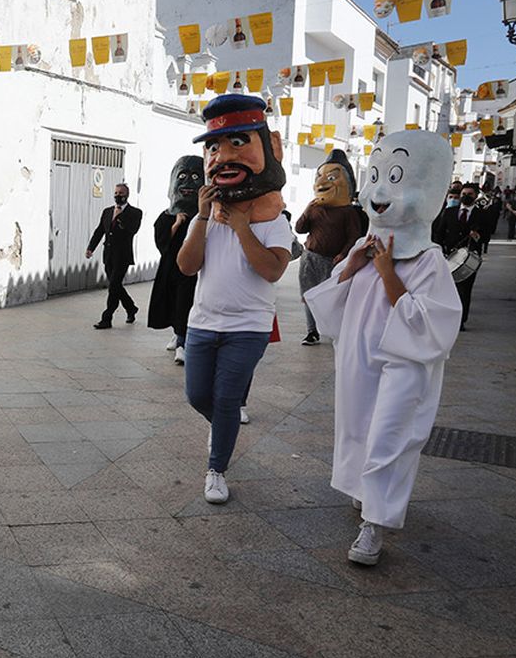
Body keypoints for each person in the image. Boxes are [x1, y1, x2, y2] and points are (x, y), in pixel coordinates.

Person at [304, 130, 462, 567]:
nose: (380, 191)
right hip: (361, 351)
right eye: (378, 175)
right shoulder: (364, 246)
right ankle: (364, 493)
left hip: (404, 360)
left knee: (390, 436)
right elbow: (336, 299)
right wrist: (353, 265)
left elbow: (431, 322)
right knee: (356, 426)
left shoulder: (429, 261)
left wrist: (389, 272)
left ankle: (375, 525)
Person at [177, 94, 294, 505]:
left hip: (248, 327)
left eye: (237, 143)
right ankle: (223, 425)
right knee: (197, 396)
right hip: (203, 322)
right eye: (213, 147)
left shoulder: (273, 221)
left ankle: (216, 469)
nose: (221, 156)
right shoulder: (203, 216)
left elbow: (273, 270)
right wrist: (203, 217)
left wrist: (243, 226)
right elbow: (187, 266)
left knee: (226, 398)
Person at [295, 150, 367, 346]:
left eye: (332, 176)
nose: (323, 181)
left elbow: (353, 236)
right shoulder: (315, 208)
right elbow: (300, 229)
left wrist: (343, 254)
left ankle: (334, 328)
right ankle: (312, 331)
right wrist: (307, 210)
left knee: (333, 297)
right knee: (308, 295)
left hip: (333, 260)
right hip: (310, 257)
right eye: (320, 176)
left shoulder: (348, 212)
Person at [148, 156, 203, 365]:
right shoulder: (166, 216)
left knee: (184, 304)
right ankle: (177, 334)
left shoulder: (203, 217)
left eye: (195, 178)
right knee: (171, 303)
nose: (188, 183)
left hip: (190, 271)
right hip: (170, 268)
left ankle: (183, 342)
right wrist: (176, 224)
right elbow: (162, 244)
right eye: (182, 177)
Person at [87, 182, 144, 328]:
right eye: (116, 193)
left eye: (121, 193)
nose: (118, 196)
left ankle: (107, 318)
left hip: (123, 256)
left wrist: (120, 218)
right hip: (108, 255)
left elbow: (132, 230)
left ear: (127, 195)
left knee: (113, 287)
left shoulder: (135, 213)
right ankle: (131, 308)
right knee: (116, 286)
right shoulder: (107, 211)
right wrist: (91, 248)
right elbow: (100, 230)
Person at [432, 182, 486, 331]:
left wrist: (477, 237)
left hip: (469, 259)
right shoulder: (450, 212)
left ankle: (461, 321)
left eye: (469, 195)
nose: (465, 197)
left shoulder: (481, 214)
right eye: (463, 194)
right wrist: (440, 250)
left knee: (464, 290)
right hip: (448, 257)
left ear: (475, 196)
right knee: (447, 289)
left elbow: (486, 234)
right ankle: (446, 317)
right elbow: (439, 233)